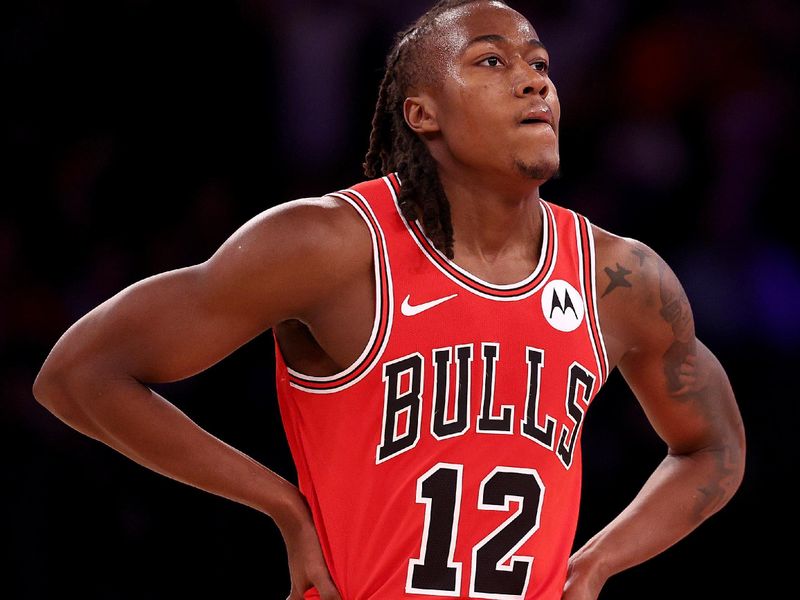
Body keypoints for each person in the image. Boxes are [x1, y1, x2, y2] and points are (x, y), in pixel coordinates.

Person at [33, 1, 745, 598]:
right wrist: (282, 503)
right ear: (422, 113)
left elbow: (715, 445)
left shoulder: (617, 276)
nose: (533, 82)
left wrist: (596, 564)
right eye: (492, 61)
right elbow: (79, 374)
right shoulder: (331, 246)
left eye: (540, 65)